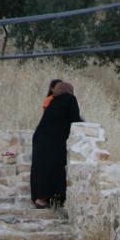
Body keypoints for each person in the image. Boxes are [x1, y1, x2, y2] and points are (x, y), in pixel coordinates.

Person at [30, 81, 82, 209]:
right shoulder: (70, 99)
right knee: (56, 166)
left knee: (40, 168)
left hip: (40, 137)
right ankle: (56, 198)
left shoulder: (53, 101)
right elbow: (75, 119)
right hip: (53, 139)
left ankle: (40, 198)